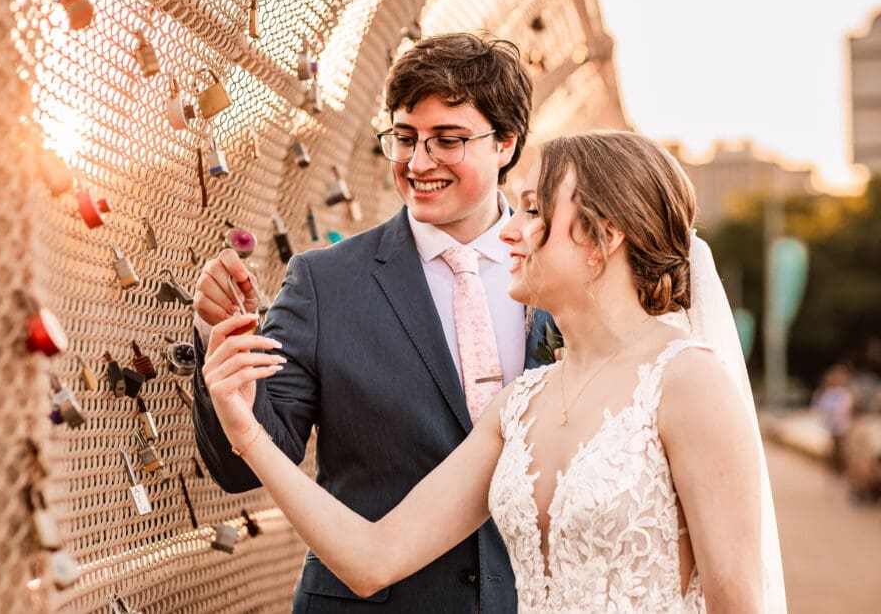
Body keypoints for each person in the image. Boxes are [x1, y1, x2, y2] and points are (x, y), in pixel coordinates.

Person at [202, 131, 787, 613]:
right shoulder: (521, 405)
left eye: (536, 211)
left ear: (603, 239)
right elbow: (371, 560)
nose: (509, 228)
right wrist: (249, 436)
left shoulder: (688, 384)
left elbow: (738, 601)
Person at [190, 33, 555, 612]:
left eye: (448, 140)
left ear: (505, 143)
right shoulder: (322, 283)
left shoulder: (564, 274)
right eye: (404, 138)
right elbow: (248, 466)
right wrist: (222, 345)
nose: (418, 163)